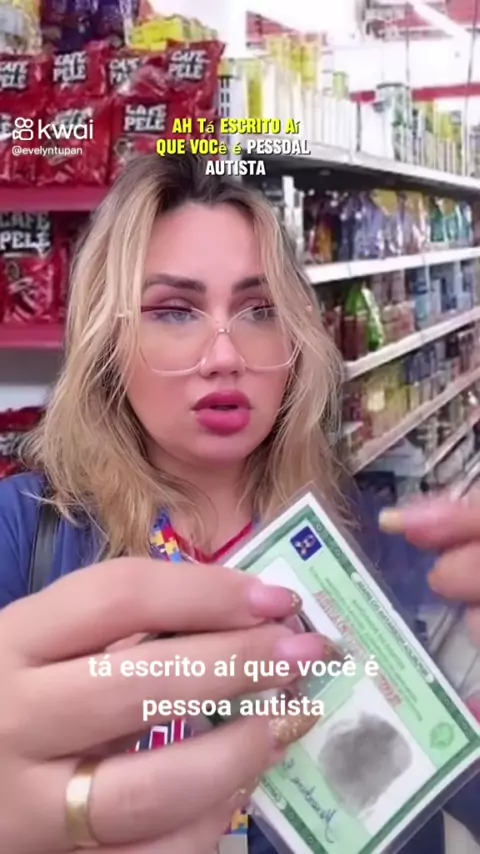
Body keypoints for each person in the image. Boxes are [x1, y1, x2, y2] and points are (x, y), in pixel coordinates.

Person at [0, 151, 478, 854]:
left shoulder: (375, 541)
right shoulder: (24, 530)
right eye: (174, 311)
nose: (225, 355)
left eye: (259, 310)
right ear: (109, 343)